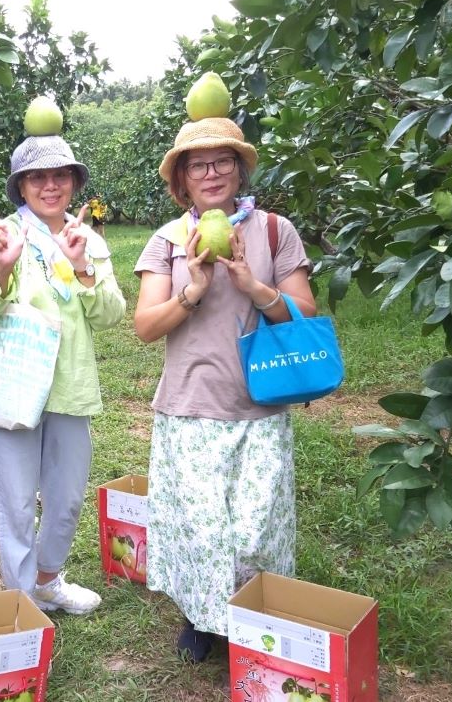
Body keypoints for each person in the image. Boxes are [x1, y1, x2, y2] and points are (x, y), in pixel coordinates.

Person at [132, 117, 316, 662]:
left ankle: (252, 615)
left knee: (256, 526)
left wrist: (254, 286)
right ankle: (200, 618)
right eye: (198, 164)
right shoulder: (167, 240)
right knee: (201, 525)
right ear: (182, 180)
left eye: (222, 161)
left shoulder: (276, 231)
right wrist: (194, 289)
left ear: (239, 169)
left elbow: (304, 314)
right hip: (190, 404)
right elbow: (145, 326)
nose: (211, 173)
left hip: (259, 404)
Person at [0, 129, 126, 614]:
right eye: (38, 177)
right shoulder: (0, 237)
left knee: (65, 499)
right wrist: (0, 271)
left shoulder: (89, 241)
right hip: (13, 388)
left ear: (73, 183)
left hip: (69, 386)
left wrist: (82, 268)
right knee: (14, 504)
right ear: (21, 186)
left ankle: (47, 580)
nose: (50, 186)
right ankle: (20, 606)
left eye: (60, 175)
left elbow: (111, 315)